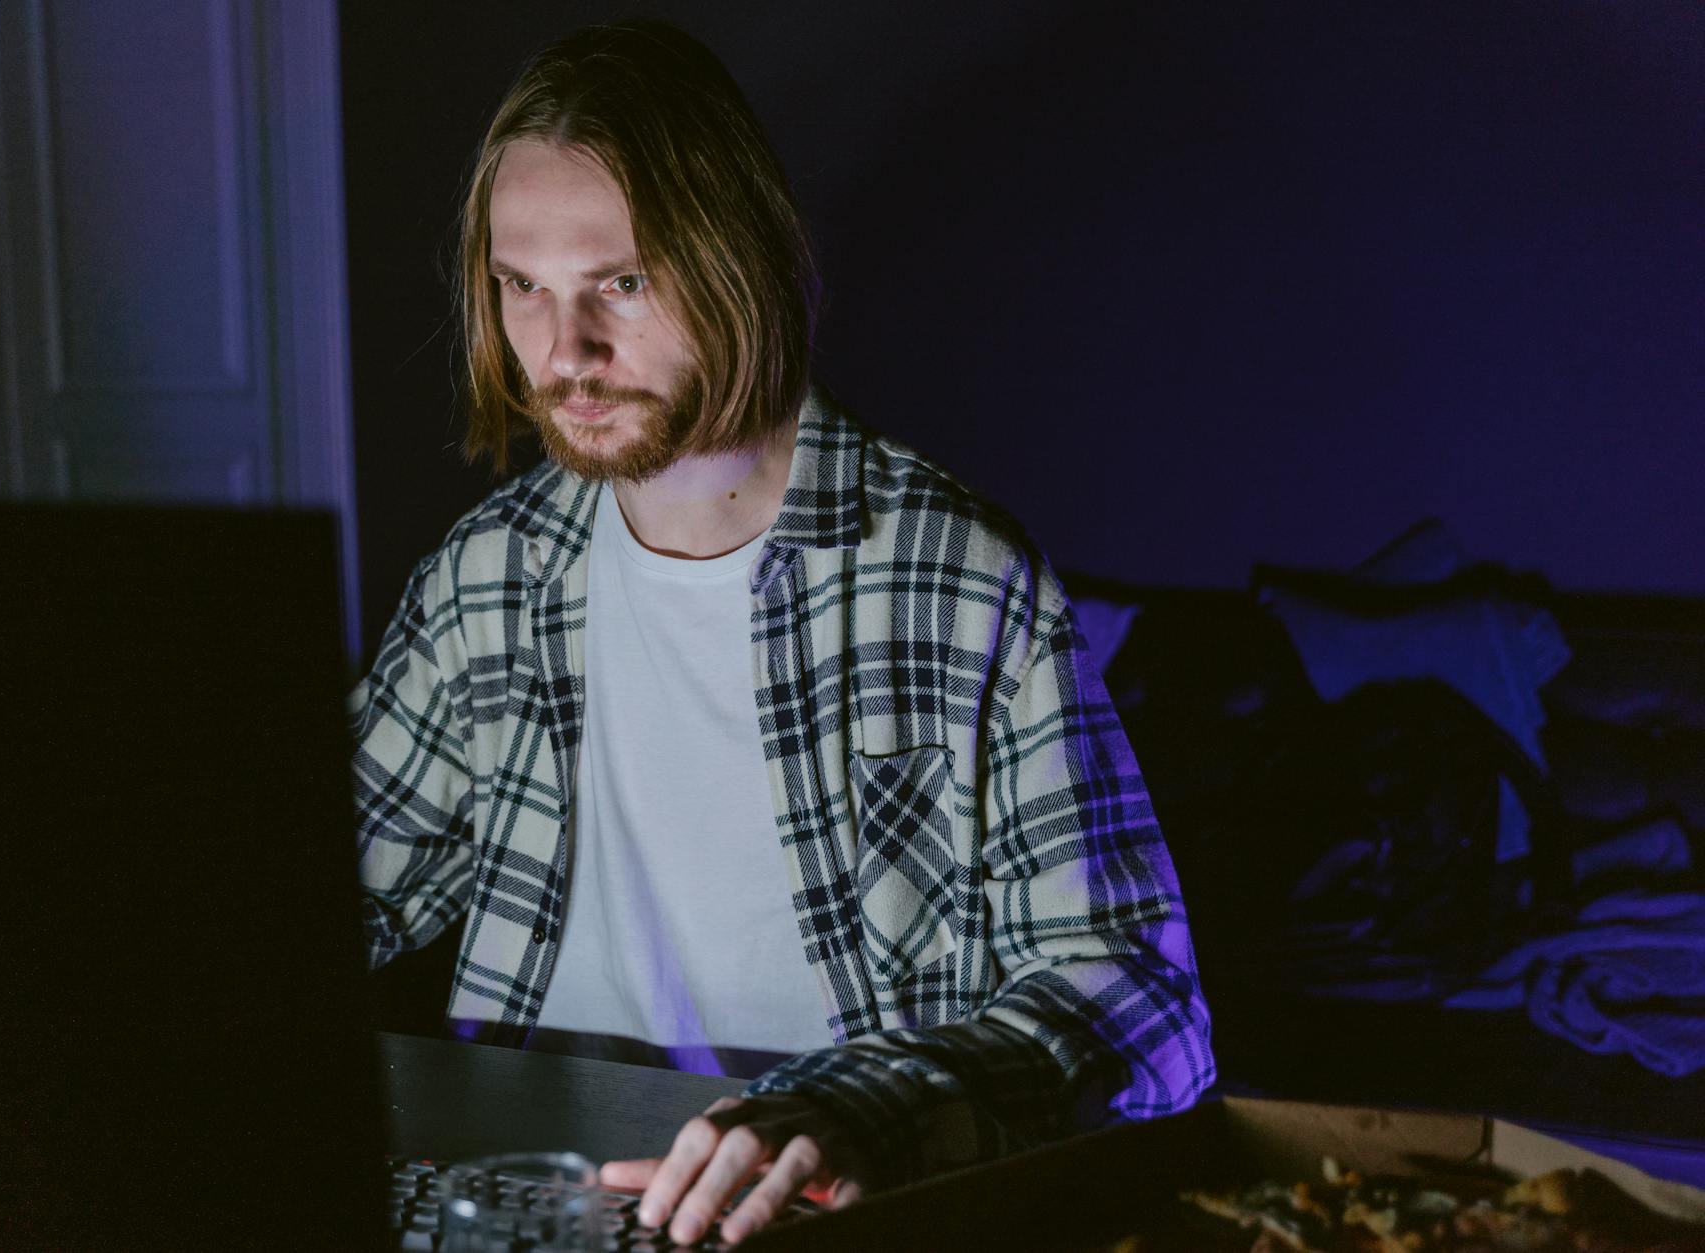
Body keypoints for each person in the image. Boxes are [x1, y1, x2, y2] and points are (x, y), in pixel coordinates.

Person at [351, 18, 1214, 1246]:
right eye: (521, 287)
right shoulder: (486, 576)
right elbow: (301, 899)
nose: (562, 351)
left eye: (622, 283)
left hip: (825, 1211)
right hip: (539, 1209)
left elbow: (1146, 1008)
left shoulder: (958, 579)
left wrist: (863, 1110)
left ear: (736, 258)